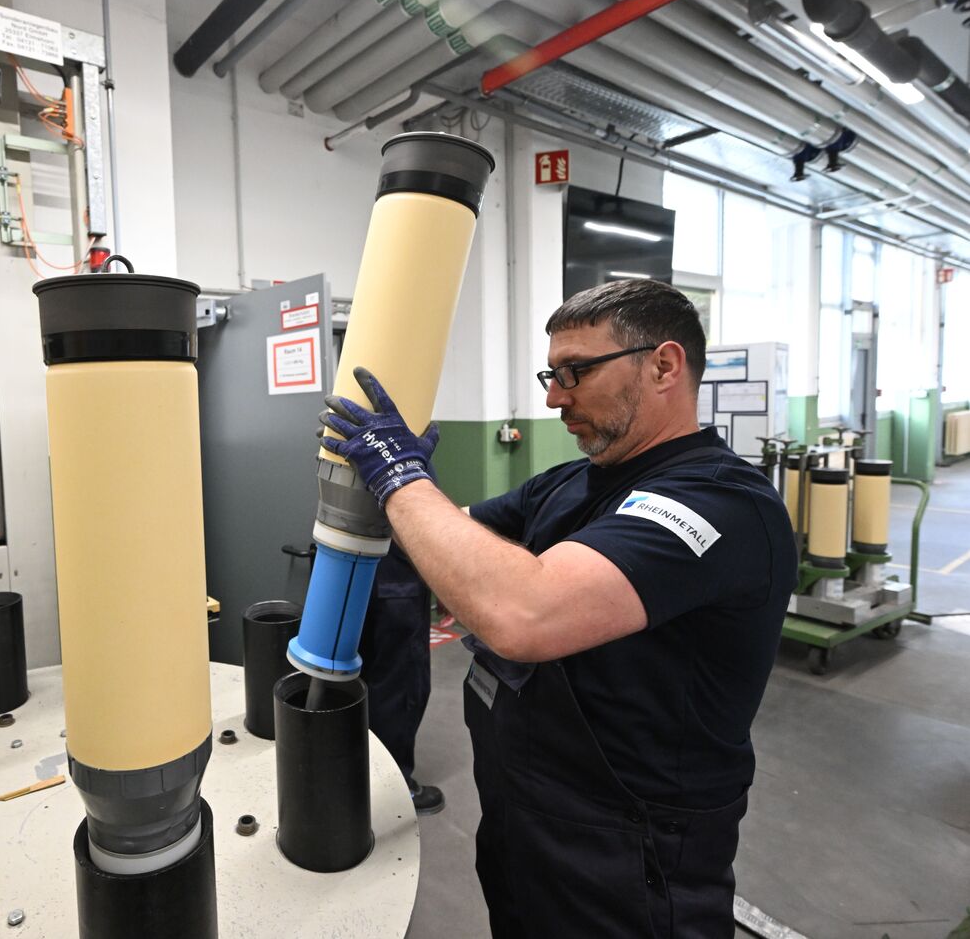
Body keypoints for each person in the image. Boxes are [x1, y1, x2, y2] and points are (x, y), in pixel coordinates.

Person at [318, 279, 796, 938]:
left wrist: (401, 477)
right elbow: (453, 537)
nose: (552, 396)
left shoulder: (719, 504)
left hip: (631, 855)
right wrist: (396, 500)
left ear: (664, 365)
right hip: (526, 819)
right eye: (551, 372)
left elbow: (524, 612)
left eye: (575, 372)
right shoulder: (572, 480)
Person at [357, 542, 442, 815]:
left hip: (359, 562)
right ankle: (396, 786)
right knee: (402, 682)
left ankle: (361, 778)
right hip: (397, 570)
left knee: (363, 673)